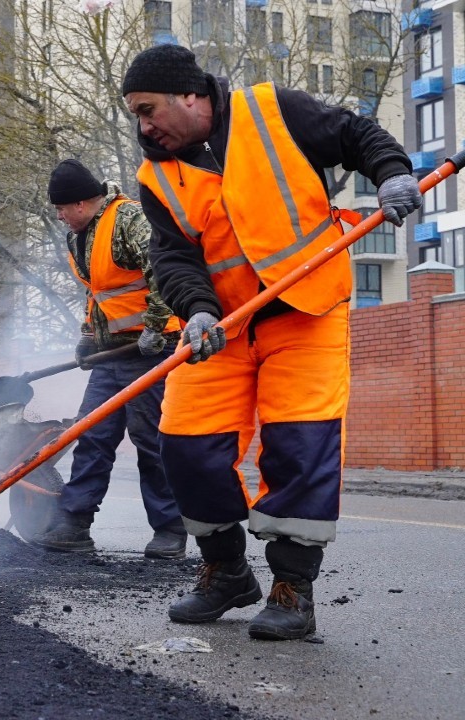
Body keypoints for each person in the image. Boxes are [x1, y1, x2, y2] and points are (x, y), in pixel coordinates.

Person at [122, 45, 422, 639]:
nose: (144, 124)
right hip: (221, 331)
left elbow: (356, 134)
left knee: (298, 447)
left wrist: (393, 174)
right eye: (136, 113)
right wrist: (199, 311)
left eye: (149, 108)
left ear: (191, 95)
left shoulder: (272, 112)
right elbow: (175, 258)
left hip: (306, 314)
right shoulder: (156, 176)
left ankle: (292, 590)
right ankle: (227, 573)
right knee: (184, 446)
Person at [30, 159, 187, 559]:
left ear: (82, 202)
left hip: (152, 349)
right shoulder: (79, 236)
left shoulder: (129, 221)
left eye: (62, 209)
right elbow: (99, 294)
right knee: (93, 436)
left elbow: (162, 271)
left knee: (150, 440)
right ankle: (74, 524)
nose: (60, 217)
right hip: (112, 353)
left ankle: (170, 530)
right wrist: (88, 336)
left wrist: (155, 326)